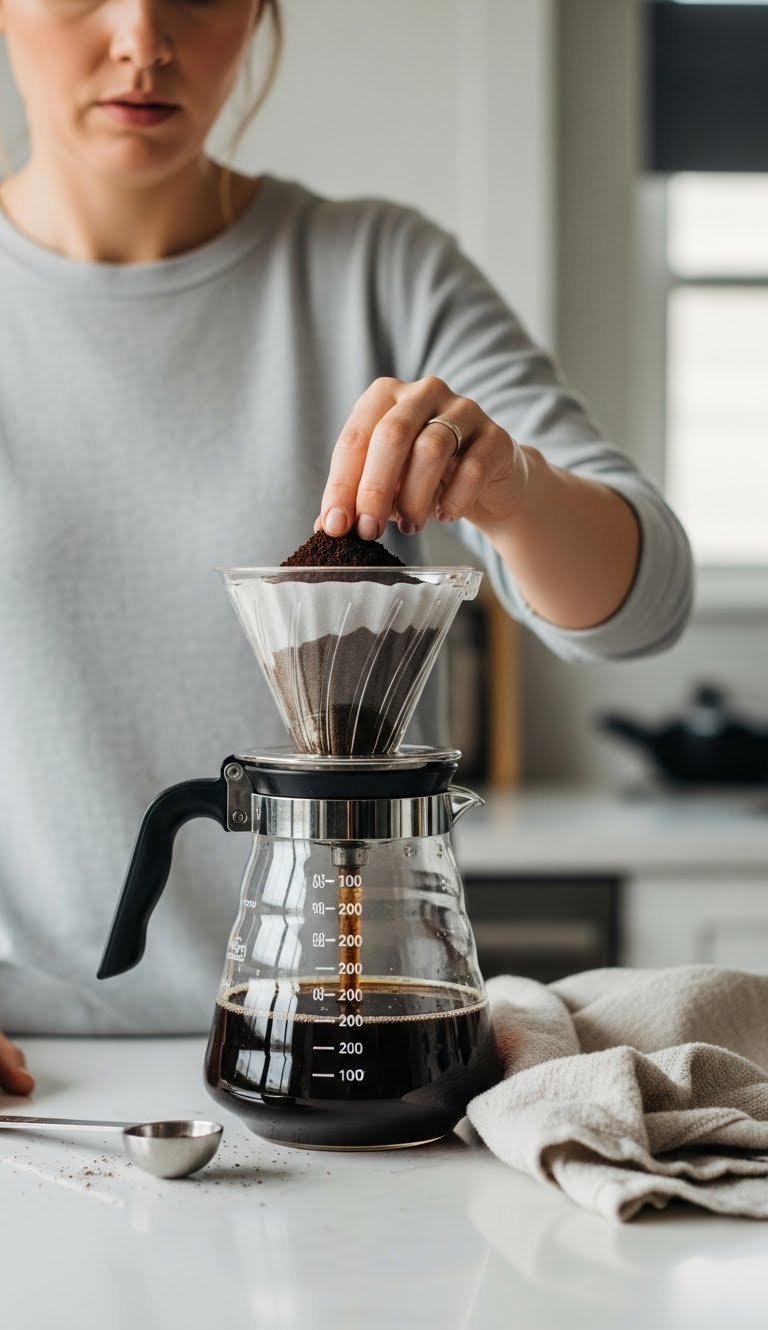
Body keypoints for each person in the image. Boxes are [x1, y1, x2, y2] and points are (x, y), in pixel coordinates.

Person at [0, 0, 692, 1093]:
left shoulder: (382, 271)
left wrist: (514, 490)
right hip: (32, 1072)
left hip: (350, 1049)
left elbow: (645, 605)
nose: (142, 37)